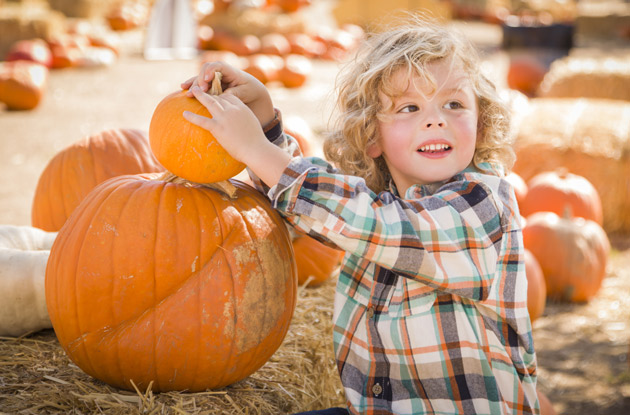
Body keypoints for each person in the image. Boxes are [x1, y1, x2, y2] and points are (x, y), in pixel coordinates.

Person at [180, 16, 539, 415]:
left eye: (454, 104)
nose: (436, 118)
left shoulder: (483, 204)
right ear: (371, 136)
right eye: (410, 107)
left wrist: (256, 151)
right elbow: (316, 211)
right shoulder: (376, 202)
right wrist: (264, 120)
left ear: (481, 120)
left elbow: (380, 226)